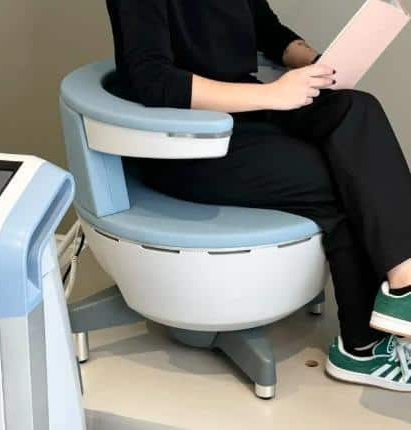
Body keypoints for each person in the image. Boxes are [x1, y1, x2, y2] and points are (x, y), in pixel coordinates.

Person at [106, 0, 411, 391]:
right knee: (335, 176)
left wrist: (319, 64)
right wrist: (274, 95)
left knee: (357, 109)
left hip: (248, 112)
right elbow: (152, 80)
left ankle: (404, 282)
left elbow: (268, 31)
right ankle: (361, 350)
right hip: (187, 141)